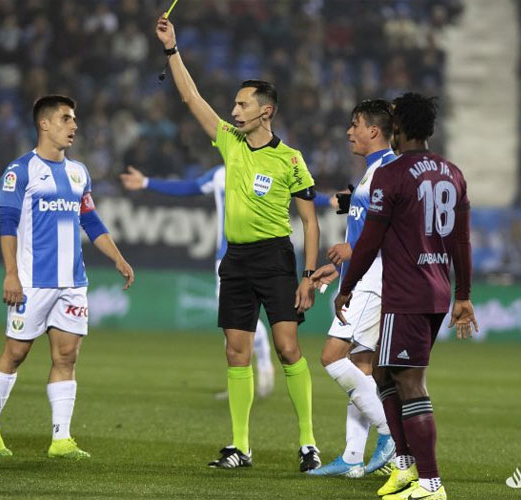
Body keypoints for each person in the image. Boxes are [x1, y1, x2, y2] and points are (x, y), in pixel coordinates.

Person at [155, 16, 322, 471]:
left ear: (265, 111)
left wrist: (307, 275)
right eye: (233, 104)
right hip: (236, 259)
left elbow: (310, 221)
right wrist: (173, 50)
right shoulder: (229, 143)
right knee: (236, 350)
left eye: (243, 105)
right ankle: (240, 446)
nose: (234, 111)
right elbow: (190, 97)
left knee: (288, 347)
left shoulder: (291, 159)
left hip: (275, 258)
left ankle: (308, 443)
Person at [334, 93, 478, 500]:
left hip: (407, 292)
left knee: (410, 384)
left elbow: (369, 242)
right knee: (383, 374)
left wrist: (347, 286)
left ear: (397, 129)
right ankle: (404, 464)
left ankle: (431, 484)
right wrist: (462, 295)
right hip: (435, 290)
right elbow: (462, 241)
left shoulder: (393, 174)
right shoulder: (453, 173)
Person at [0, 95, 134, 459]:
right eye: (66, 118)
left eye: (74, 119)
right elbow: (7, 224)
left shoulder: (79, 172)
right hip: (32, 282)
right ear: (44, 124)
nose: (74, 125)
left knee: (67, 357)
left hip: (72, 284)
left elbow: (91, 221)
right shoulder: (21, 171)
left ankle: (61, 439)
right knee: (15, 354)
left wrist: (118, 258)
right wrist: (11, 274)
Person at [120, 164, 276, 398]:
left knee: (238, 319)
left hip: (257, 255)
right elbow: (189, 188)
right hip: (225, 258)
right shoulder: (220, 174)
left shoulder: (265, 168)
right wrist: (146, 183)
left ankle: (261, 365)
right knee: (233, 322)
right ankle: (250, 376)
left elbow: (300, 193)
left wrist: (327, 201)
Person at [307, 100, 397, 478]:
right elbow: (359, 222)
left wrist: (353, 251)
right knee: (361, 366)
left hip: (373, 282)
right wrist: (341, 262)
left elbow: (396, 233)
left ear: (373, 131)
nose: (349, 131)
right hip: (360, 277)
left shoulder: (390, 172)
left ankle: (392, 433)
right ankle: (352, 458)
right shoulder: (371, 172)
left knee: (331, 357)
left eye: (355, 124)